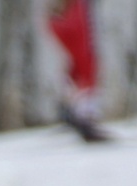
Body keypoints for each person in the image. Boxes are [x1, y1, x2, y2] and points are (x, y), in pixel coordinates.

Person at [46, 0, 110, 144]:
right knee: (84, 80)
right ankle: (83, 117)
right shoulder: (74, 10)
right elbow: (75, 28)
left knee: (83, 80)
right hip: (79, 52)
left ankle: (82, 116)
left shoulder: (73, 10)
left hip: (79, 51)